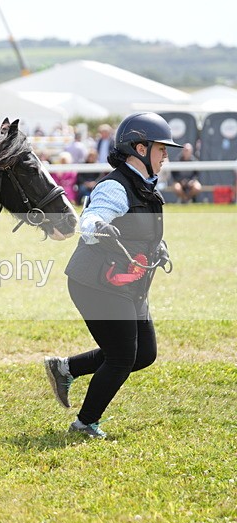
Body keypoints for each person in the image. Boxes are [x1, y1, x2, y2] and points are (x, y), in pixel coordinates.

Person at [44, 112, 182, 439]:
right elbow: (92, 218)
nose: (166, 155)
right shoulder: (115, 186)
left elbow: (139, 230)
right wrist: (98, 228)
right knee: (121, 357)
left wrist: (157, 247)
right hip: (96, 284)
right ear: (139, 148)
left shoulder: (147, 187)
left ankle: (66, 368)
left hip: (129, 284)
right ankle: (85, 423)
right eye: (161, 149)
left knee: (143, 355)